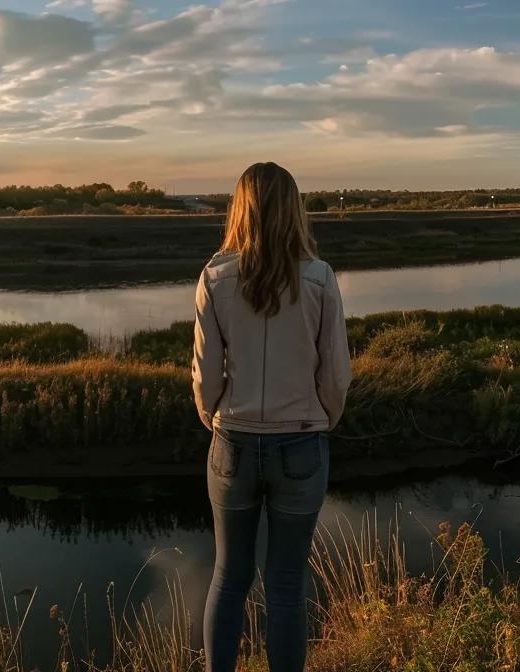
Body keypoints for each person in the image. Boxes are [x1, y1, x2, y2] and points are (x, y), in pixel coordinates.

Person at [194, 162, 351, 672]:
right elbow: (336, 374)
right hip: (301, 442)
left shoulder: (215, 276)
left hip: (233, 441)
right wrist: (325, 419)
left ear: (239, 208)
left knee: (228, 576)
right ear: (294, 210)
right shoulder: (319, 277)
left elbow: (204, 375)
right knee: (285, 583)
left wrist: (213, 418)